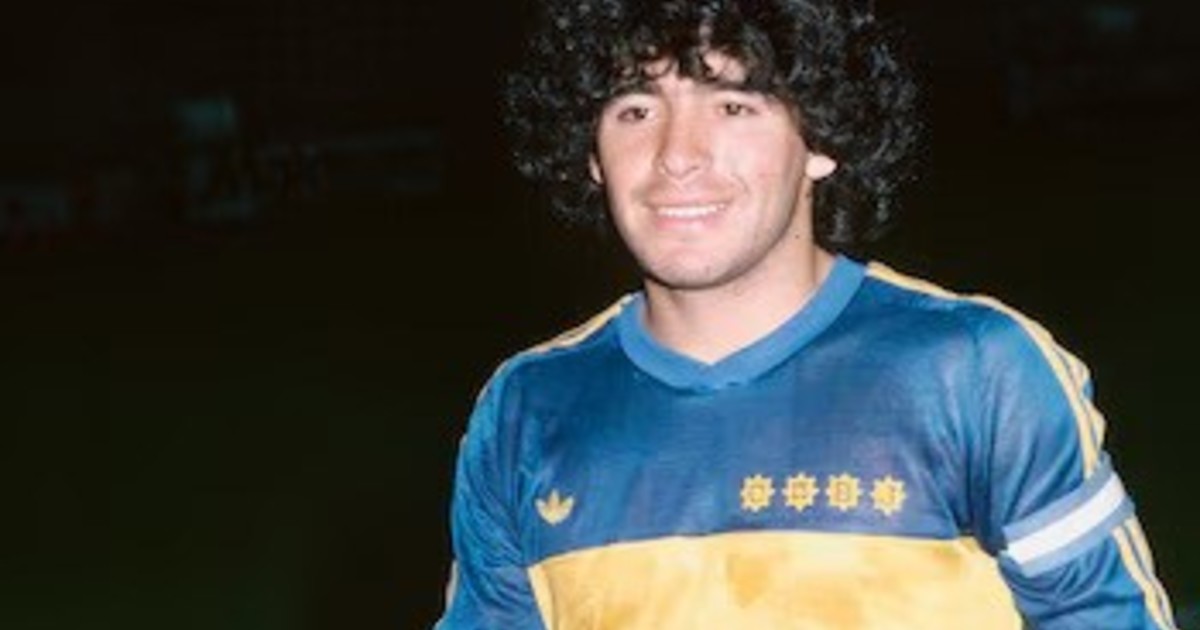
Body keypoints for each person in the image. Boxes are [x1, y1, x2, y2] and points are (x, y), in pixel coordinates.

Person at [433, 0, 1177, 628]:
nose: (676, 155)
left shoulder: (976, 371)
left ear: (820, 139)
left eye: (732, 106)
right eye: (636, 110)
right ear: (593, 156)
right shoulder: (526, 409)